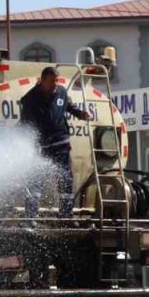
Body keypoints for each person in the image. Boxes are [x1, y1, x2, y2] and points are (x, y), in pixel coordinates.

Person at [19, 67, 91, 218]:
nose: (55, 85)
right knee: (35, 180)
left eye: (57, 81)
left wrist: (81, 114)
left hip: (61, 142)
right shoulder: (31, 99)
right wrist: (30, 144)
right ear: (43, 80)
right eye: (52, 81)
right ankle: (31, 216)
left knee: (65, 178)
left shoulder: (61, 92)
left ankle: (66, 215)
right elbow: (25, 125)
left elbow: (70, 107)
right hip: (41, 146)